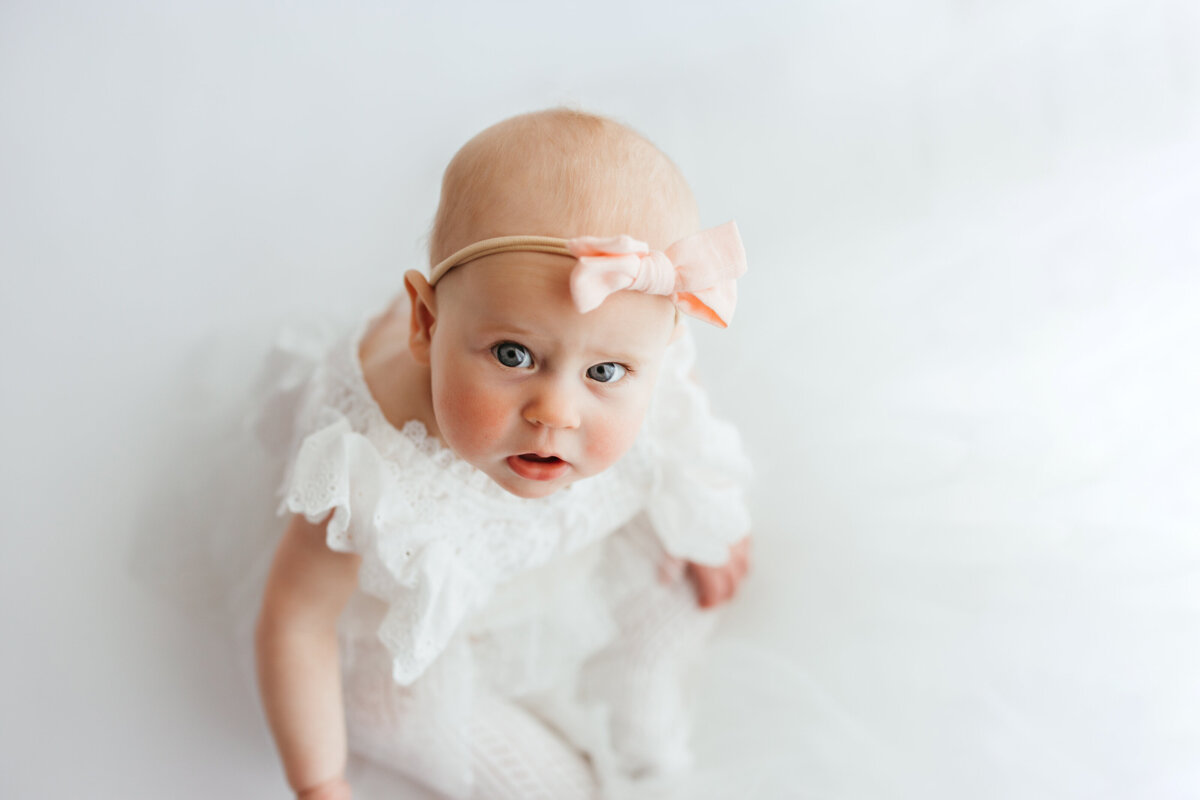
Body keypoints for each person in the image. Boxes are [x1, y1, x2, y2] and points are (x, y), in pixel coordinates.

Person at [253, 108, 753, 800]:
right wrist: (320, 784)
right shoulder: (372, 466)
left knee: (678, 594)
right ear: (427, 325)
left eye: (605, 373)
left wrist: (703, 510)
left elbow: (680, 396)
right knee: (532, 779)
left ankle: (647, 735)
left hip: (553, 546)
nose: (556, 411)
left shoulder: (641, 339)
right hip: (415, 637)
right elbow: (297, 617)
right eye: (514, 356)